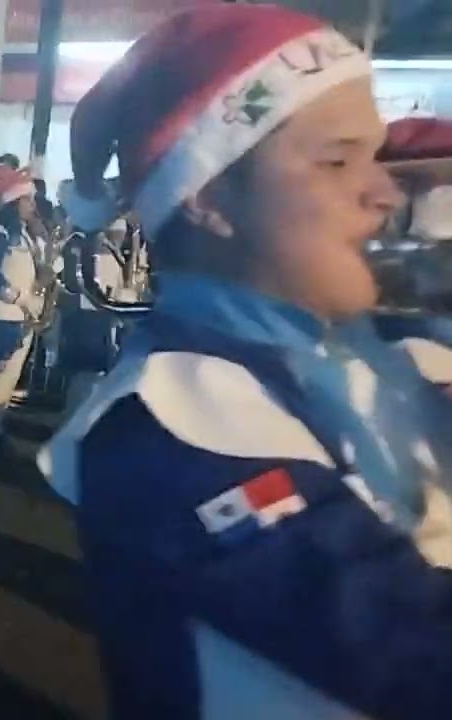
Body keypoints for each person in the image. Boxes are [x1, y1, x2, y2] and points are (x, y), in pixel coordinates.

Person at [42, 5, 452, 716]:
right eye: (337, 161)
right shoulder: (171, 417)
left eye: (378, 156)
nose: (386, 194)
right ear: (209, 199)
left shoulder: (387, 358)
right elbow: (412, 655)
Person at [0, 166, 46, 444]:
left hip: (23, 312)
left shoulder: (25, 233)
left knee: (10, 376)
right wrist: (19, 298)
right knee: (1, 373)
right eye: (27, 200)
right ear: (15, 202)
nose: (32, 205)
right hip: (5, 312)